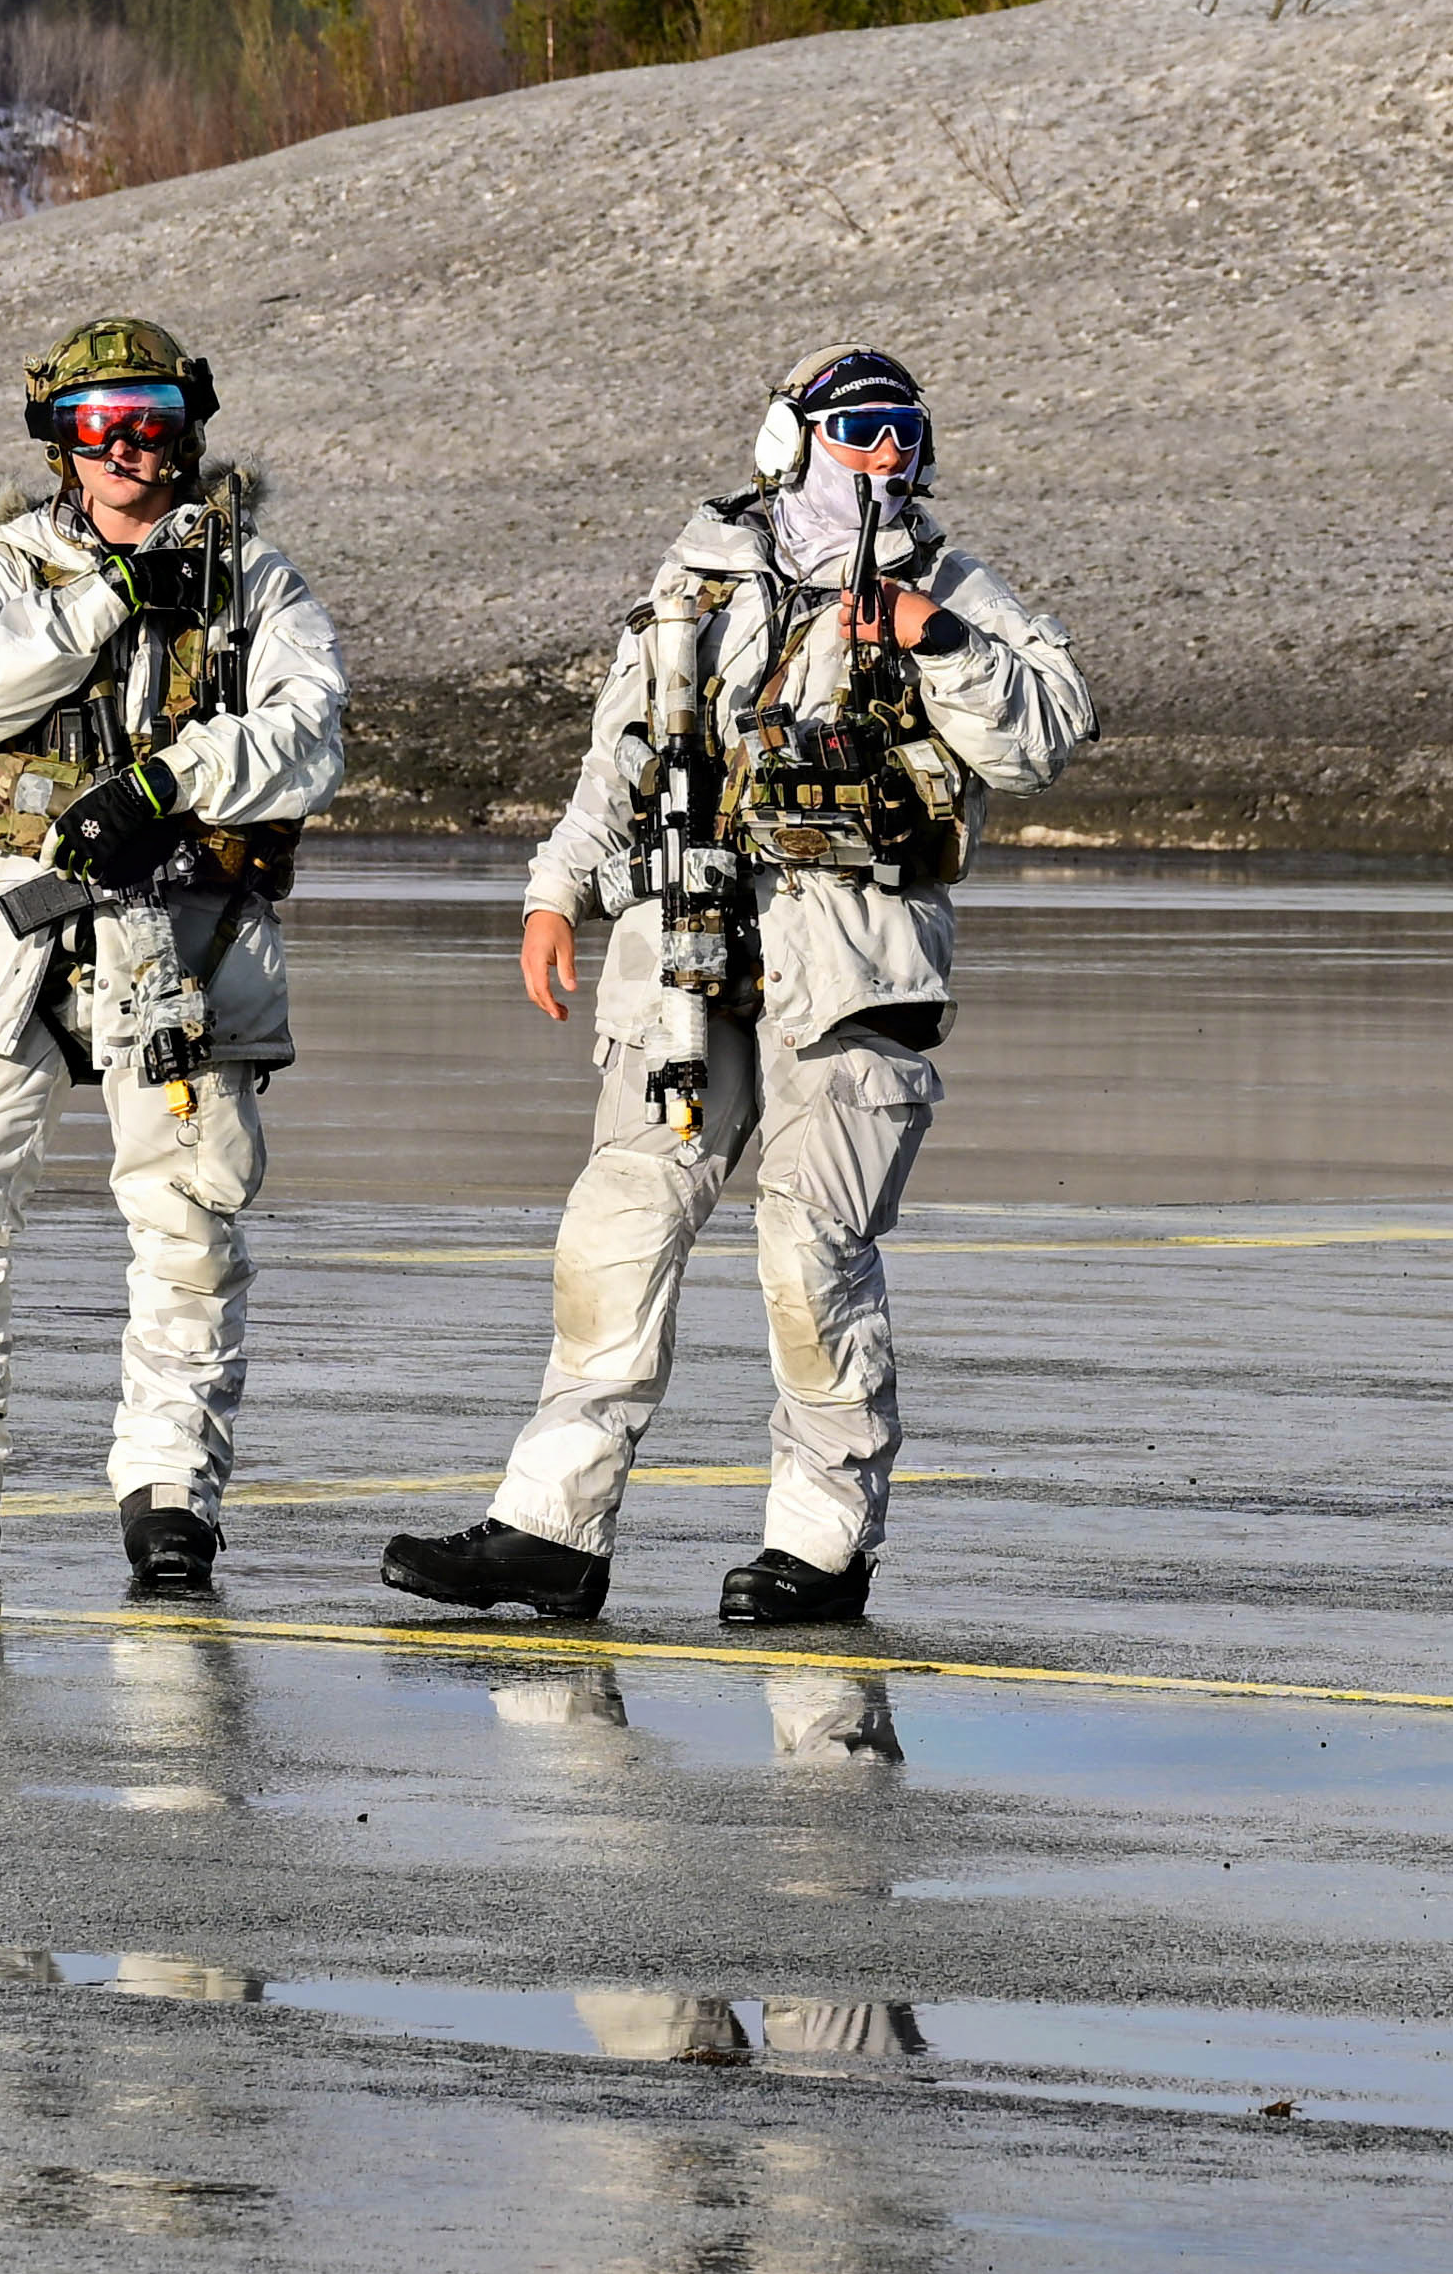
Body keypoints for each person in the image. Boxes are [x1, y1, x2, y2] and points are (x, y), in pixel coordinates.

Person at [387, 345, 1093, 1632]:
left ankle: (818, 1546)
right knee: (617, 1230)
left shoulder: (950, 588)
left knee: (808, 1252)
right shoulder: (695, 583)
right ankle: (550, 1526)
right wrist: (557, 891)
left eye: (906, 426)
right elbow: (626, 756)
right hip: (685, 957)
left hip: (853, 965)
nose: (889, 450)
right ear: (792, 439)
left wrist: (931, 638)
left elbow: (1045, 733)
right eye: (860, 426)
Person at [0, 317, 346, 1602]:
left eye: (156, 419)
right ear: (59, 437)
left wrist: (174, 780)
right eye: (100, 421)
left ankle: (171, 1496)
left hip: (186, 932)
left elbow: (310, 733)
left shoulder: (257, 583)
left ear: (192, 428)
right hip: (11, 929)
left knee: (190, 1225)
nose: (131, 446)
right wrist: (114, 595)